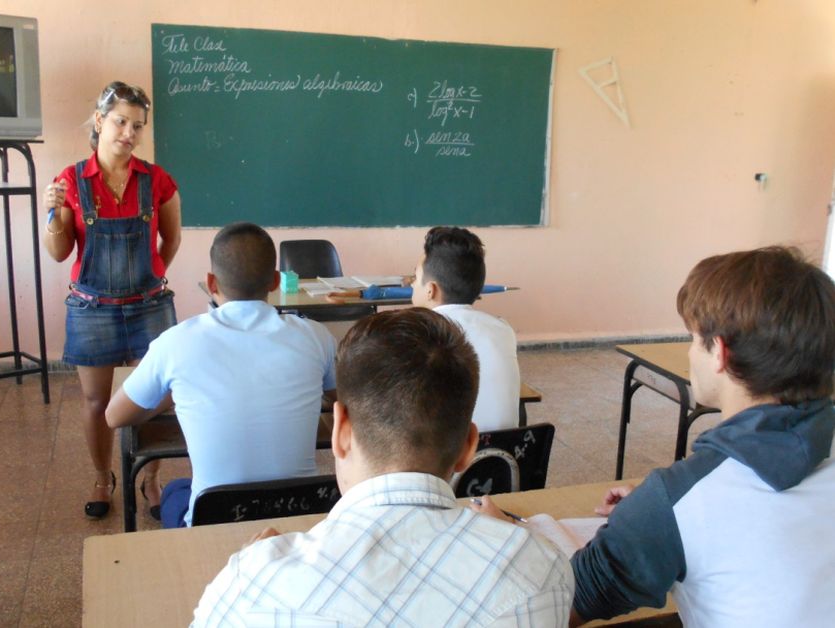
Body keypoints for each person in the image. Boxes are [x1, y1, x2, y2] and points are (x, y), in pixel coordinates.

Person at [477, 246, 835, 627]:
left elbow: (557, 604)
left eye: (694, 338)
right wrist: (651, 513)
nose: (689, 351)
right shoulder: (677, 501)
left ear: (720, 354)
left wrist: (511, 534)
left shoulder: (677, 503)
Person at [191, 307, 573, 626]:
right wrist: (516, 542)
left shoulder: (254, 586)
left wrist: (255, 566)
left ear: (340, 429)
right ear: (468, 447)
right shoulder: (542, 570)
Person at [106, 222, 337, 528]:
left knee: (177, 490)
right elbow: (345, 399)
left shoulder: (176, 342)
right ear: (276, 281)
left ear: (211, 282)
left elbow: (114, 416)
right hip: (299, 515)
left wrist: (173, 396)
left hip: (215, 519)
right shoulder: (317, 337)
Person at [43, 80, 181, 519]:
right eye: (121, 121)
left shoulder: (157, 179)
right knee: (95, 402)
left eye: (138, 126)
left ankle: (151, 480)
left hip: (149, 306)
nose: (129, 132)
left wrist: (151, 278)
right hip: (91, 308)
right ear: (101, 121)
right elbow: (60, 252)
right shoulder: (69, 180)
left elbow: (171, 239)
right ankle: (103, 478)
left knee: (156, 396)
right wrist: (51, 215)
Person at [411, 226, 520, 432]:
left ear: (430, 290)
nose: (412, 285)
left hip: (452, 461)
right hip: (505, 458)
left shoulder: (421, 334)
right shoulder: (503, 330)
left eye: (415, 278)